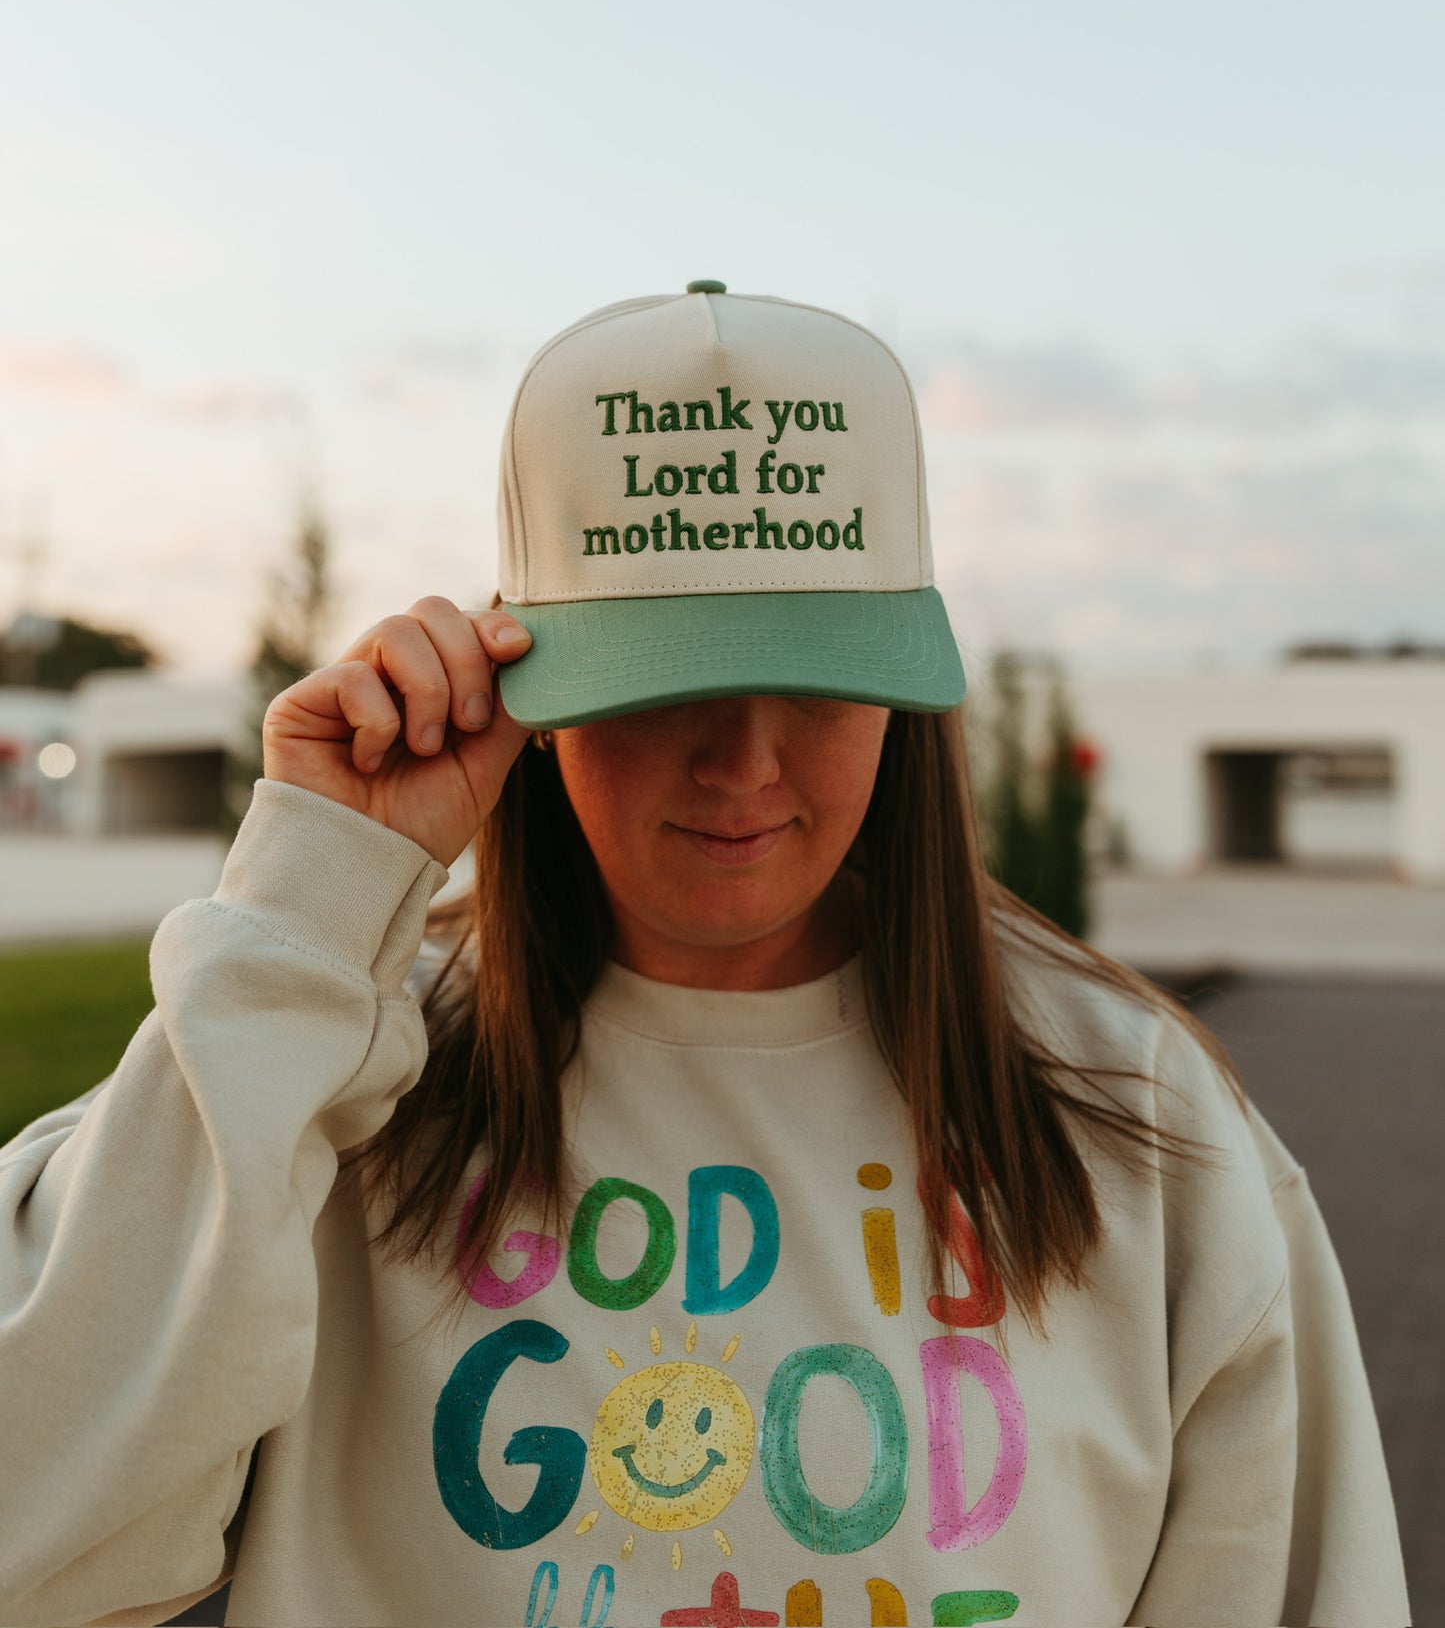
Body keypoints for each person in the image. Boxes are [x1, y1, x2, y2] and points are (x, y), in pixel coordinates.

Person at [0, 281, 1409, 1628]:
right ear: (530, 688)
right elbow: (40, 1545)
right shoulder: (316, 1064)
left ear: (902, 693)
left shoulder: (1135, 1112)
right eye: (666, 680)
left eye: (814, 679)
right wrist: (309, 904)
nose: (742, 760)